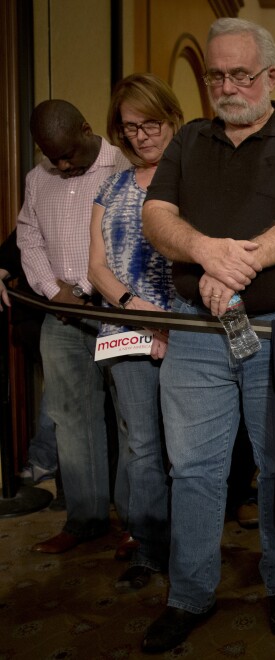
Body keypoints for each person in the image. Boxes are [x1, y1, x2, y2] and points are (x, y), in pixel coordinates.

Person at [139, 17, 275, 653]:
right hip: (198, 332)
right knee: (195, 469)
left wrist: (241, 262)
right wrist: (207, 252)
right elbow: (156, 215)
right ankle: (189, 594)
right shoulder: (186, 141)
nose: (228, 87)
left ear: (271, 77)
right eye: (216, 75)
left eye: (241, 74)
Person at [17, 99, 129, 554]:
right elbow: (28, 236)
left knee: (130, 419)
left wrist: (82, 288)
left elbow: (125, 235)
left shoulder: (121, 165)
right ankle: (85, 518)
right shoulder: (37, 177)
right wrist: (50, 290)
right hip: (59, 316)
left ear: (86, 129)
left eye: (68, 153)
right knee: (70, 418)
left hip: (115, 310)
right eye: (51, 155)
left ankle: (137, 524)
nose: (61, 164)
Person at [87, 73, 182, 591]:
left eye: (150, 124)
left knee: (189, 452)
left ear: (171, 119)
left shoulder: (192, 180)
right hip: (126, 329)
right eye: (129, 129)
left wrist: (168, 321)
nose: (141, 136)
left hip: (189, 331)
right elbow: (97, 266)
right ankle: (148, 548)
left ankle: (190, 545)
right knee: (142, 447)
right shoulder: (111, 187)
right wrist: (138, 308)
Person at [0, 229, 58, 489]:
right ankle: (42, 460)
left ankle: (43, 461)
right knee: (62, 389)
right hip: (39, 316)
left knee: (64, 390)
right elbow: (5, 259)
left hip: (67, 315)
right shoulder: (37, 216)